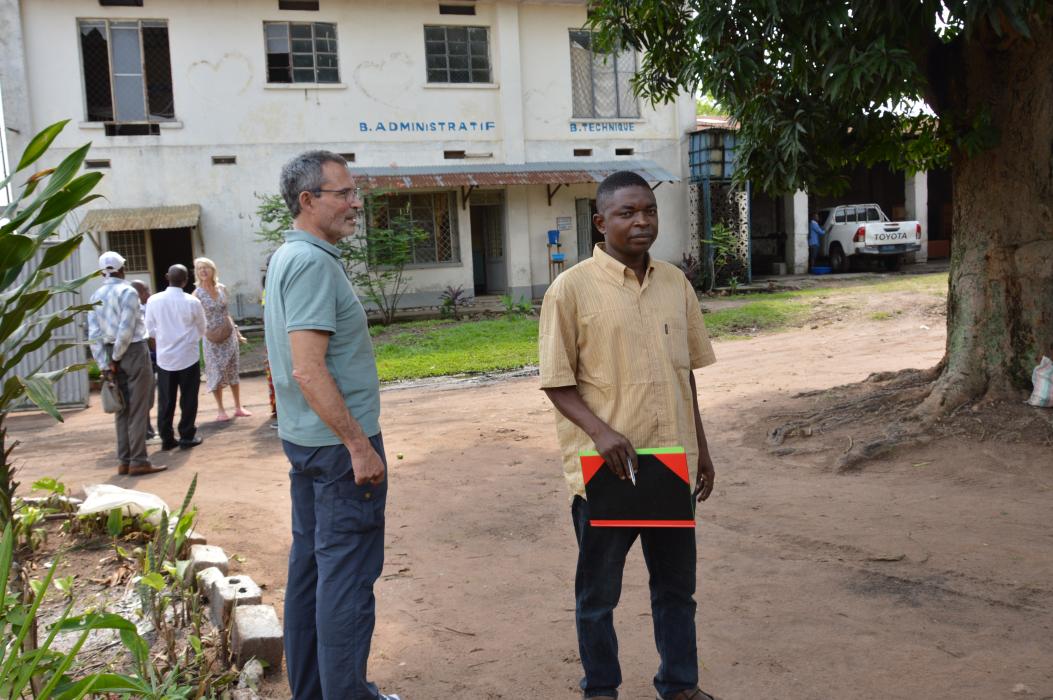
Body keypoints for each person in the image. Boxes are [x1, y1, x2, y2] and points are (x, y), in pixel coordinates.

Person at [539, 171, 720, 700]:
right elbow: (556, 382)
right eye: (627, 212)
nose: (642, 221)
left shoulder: (675, 284)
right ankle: (601, 690)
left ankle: (679, 685)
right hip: (607, 472)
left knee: (676, 591)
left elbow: (686, 374)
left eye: (649, 211)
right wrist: (601, 433)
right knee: (598, 598)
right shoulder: (570, 290)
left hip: (671, 465)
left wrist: (702, 450)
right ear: (601, 222)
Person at [264, 150, 400, 700]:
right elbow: (308, 368)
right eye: (343, 193)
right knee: (346, 579)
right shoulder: (312, 263)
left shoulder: (290, 256)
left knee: (313, 573)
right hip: (337, 451)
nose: (355, 203)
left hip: (307, 442)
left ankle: (316, 693)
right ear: (308, 200)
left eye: (353, 192)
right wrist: (358, 446)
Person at [87, 252, 166, 476]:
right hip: (133, 351)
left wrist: (105, 363)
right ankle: (139, 460)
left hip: (109, 351)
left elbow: (94, 334)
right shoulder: (128, 291)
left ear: (102, 272)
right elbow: (126, 328)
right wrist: (116, 357)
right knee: (139, 408)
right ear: (122, 269)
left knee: (121, 409)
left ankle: (124, 460)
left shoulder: (95, 295)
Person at [146, 264, 207, 451]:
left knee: (166, 399)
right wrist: (190, 340)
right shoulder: (192, 302)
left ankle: (167, 438)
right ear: (186, 280)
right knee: (189, 398)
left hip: (165, 357)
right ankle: (187, 435)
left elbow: (150, 329)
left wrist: (164, 339)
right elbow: (202, 327)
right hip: (188, 356)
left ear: (167, 277)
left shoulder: (153, 300)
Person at [192, 257, 252, 421]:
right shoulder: (196, 294)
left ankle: (238, 407)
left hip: (228, 335)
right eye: (199, 268)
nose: (203, 271)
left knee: (233, 369)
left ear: (213, 270)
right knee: (215, 371)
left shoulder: (222, 288)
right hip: (211, 338)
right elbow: (194, 317)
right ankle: (221, 410)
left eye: (206, 267)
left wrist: (237, 333)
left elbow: (227, 313)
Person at [130, 280, 158, 441]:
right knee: (142, 395)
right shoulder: (135, 311)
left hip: (149, 358)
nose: (149, 293)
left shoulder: (149, 307)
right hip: (139, 357)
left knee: (148, 395)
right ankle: (144, 430)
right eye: (145, 290)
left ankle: (147, 429)